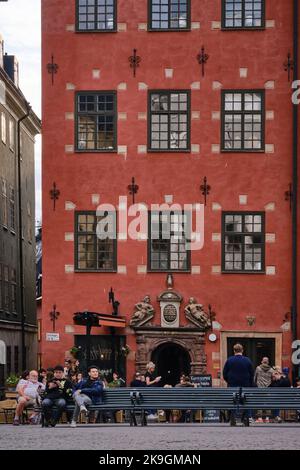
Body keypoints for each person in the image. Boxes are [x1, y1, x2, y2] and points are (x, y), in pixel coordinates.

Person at [223, 343, 254, 426]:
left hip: (232, 385)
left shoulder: (229, 360)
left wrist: (229, 381)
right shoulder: (247, 360)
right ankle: (248, 417)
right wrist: (250, 383)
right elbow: (252, 374)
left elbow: (224, 374)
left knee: (233, 400)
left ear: (234, 351)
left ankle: (233, 418)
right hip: (245, 385)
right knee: (246, 400)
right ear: (242, 350)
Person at [254, 357, 275, 423]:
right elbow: (273, 379)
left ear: (262, 361)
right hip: (268, 388)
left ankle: (260, 418)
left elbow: (255, 378)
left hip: (260, 388)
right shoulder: (271, 370)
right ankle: (267, 418)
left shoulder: (258, 368)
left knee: (259, 402)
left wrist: (256, 384)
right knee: (267, 402)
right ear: (268, 362)